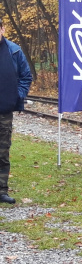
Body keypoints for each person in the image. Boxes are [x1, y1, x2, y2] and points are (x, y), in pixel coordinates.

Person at [0, 18, 32, 205]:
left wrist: (16, 96)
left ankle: (2, 191)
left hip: (4, 111)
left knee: (2, 152)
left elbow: (26, 76)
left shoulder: (15, 51)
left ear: (3, 29)